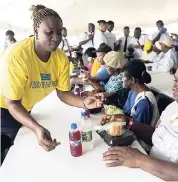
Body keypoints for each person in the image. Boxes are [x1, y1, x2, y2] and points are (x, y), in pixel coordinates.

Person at [0, 5, 102, 152]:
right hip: (4, 108)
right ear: (36, 31)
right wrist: (37, 128)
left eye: (59, 33)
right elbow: (12, 103)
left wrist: (85, 103)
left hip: (23, 106)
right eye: (49, 32)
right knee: (12, 149)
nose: (56, 38)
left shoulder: (60, 58)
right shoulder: (17, 57)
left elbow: (63, 92)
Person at [121, 60, 159, 125]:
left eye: (123, 77)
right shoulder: (133, 92)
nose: (121, 80)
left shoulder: (143, 103)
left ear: (132, 80)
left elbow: (139, 129)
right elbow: (126, 113)